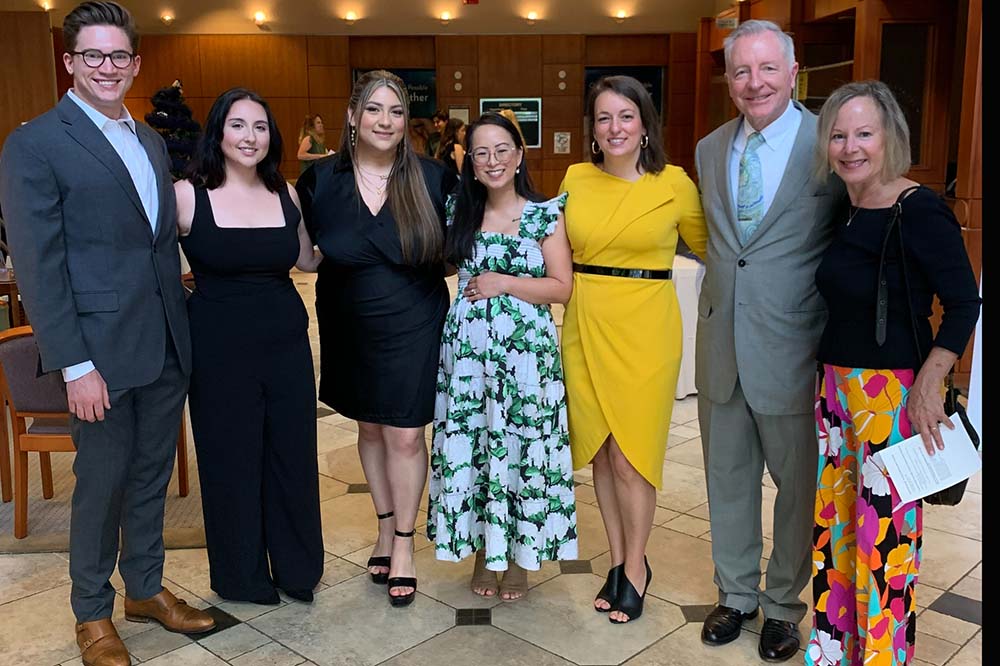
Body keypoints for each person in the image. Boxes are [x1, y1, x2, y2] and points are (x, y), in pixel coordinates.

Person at [0, 3, 215, 665]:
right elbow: (40, 265)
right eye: (92, 55)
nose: (106, 67)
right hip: (97, 354)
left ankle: (145, 589)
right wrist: (73, 364)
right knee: (101, 484)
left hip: (163, 345)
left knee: (150, 476)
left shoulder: (150, 140)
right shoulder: (36, 142)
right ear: (69, 62)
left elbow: (155, 247)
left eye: (118, 55)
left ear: (136, 63)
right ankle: (90, 611)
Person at [806, 80, 980, 666]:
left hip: (892, 399)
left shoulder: (919, 208)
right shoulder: (850, 208)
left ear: (890, 139)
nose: (850, 147)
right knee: (836, 533)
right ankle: (834, 652)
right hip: (835, 393)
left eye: (863, 133)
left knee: (885, 542)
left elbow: (963, 302)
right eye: (838, 134)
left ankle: (881, 658)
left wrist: (932, 380)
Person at [693, 19, 842, 662]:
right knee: (726, 477)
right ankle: (737, 595)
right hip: (720, 340)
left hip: (793, 343)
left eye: (766, 69)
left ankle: (783, 603)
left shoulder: (827, 143)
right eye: (741, 71)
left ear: (792, 73)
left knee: (797, 484)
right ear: (728, 80)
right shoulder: (707, 148)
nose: (754, 83)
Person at [295, 70, 456, 607]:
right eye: (374, 110)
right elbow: (304, 253)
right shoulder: (319, 181)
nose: (385, 121)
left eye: (395, 112)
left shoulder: (433, 178)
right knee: (369, 427)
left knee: (406, 434)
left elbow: (467, 242)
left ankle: (405, 544)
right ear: (352, 117)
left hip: (414, 318)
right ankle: (384, 527)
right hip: (347, 319)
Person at [560, 75, 708, 624]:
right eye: (603, 118)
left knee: (631, 456)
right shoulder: (575, 178)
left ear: (645, 124)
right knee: (601, 450)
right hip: (586, 321)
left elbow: (713, 250)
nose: (615, 127)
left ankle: (637, 565)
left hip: (647, 326)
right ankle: (617, 560)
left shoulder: (675, 183)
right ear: (592, 130)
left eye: (626, 116)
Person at [176, 88, 325, 606]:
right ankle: (242, 576)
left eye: (260, 127)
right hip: (217, 346)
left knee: (292, 455)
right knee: (230, 458)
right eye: (238, 125)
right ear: (219, 131)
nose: (250, 136)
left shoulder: (285, 192)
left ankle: (297, 568)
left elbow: (308, 259)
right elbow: (148, 268)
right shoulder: (187, 195)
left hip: (285, 341)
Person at [427, 112, 577, 601]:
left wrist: (504, 283)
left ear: (519, 155)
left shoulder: (543, 214)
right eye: (480, 153)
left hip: (526, 358)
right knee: (475, 449)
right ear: (469, 163)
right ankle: (480, 553)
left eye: (501, 150)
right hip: (468, 356)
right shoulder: (458, 210)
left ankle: (517, 558)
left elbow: (562, 287)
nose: (492, 160)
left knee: (520, 452)